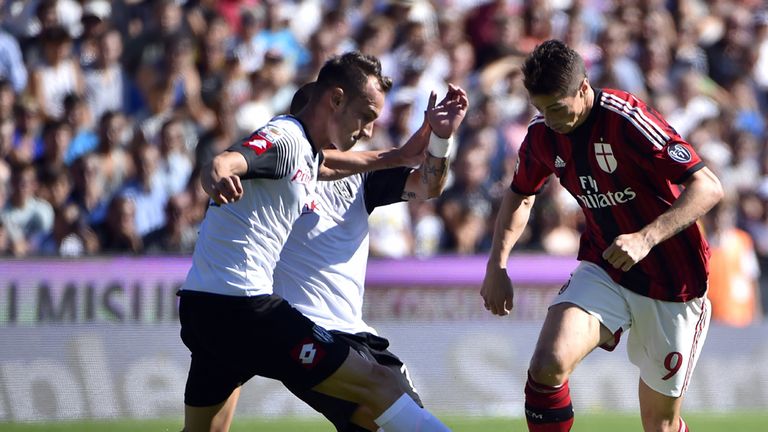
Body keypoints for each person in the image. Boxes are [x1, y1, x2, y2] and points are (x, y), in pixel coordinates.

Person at [178, 52, 452, 432]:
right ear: (334, 100)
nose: (367, 129)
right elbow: (233, 159)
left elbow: (327, 166)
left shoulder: (308, 157)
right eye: (365, 116)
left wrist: (402, 155)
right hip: (246, 309)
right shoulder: (288, 137)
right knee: (382, 386)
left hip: (202, 306)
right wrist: (219, 174)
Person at [480, 40, 724, 432]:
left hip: (673, 280)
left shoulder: (626, 118)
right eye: (540, 109)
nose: (549, 119)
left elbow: (708, 187)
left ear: (582, 88)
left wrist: (645, 238)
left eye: (556, 108)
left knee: (659, 425)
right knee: (547, 365)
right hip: (605, 266)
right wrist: (497, 264)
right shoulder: (543, 134)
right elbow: (520, 195)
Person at [270, 81, 466, 431]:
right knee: (398, 424)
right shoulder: (280, 167)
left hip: (356, 335)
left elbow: (428, 185)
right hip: (304, 334)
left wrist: (440, 139)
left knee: (399, 420)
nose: (366, 130)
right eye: (358, 118)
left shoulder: (361, 178)